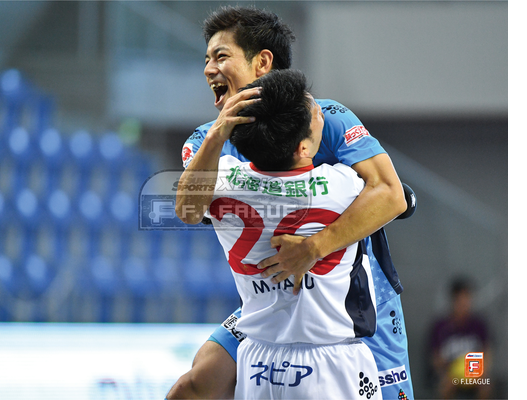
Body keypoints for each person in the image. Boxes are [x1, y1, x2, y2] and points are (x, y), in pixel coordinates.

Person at [169, 6, 414, 400]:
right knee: (193, 387)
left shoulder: (323, 118)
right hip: (274, 298)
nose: (208, 69)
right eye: (207, 59)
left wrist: (313, 249)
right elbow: (187, 210)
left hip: (353, 302)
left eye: (220, 56)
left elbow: (392, 195)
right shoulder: (206, 140)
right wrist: (217, 134)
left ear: (262, 62)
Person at [206, 68, 381, 398]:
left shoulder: (221, 180)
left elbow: (185, 203)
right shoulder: (343, 185)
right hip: (331, 360)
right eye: (313, 113)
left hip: (256, 360)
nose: (320, 112)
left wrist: (217, 132)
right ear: (302, 147)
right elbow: (392, 195)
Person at [429, 277, 492, 399]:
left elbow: (487, 353)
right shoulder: (441, 326)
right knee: (445, 386)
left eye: (467, 299)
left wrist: (480, 371)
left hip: (474, 372)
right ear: (453, 300)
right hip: (450, 374)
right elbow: (435, 358)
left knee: (485, 385)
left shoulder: (479, 324)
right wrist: (449, 369)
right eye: (460, 300)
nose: (464, 304)